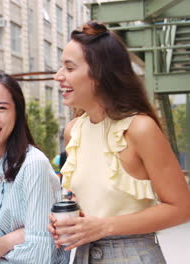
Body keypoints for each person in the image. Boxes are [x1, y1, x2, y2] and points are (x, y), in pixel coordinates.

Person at [49, 21, 190, 263]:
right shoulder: (73, 132)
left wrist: (103, 227)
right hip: (84, 255)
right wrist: (74, 221)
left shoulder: (140, 128)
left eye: (69, 68)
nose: (58, 76)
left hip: (134, 255)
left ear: (100, 73)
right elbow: (99, 205)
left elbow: (182, 208)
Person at [0, 72, 69, 263]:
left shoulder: (34, 165)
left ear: (17, 113)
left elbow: (39, 256)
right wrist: (16, 238)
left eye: (1, 108)